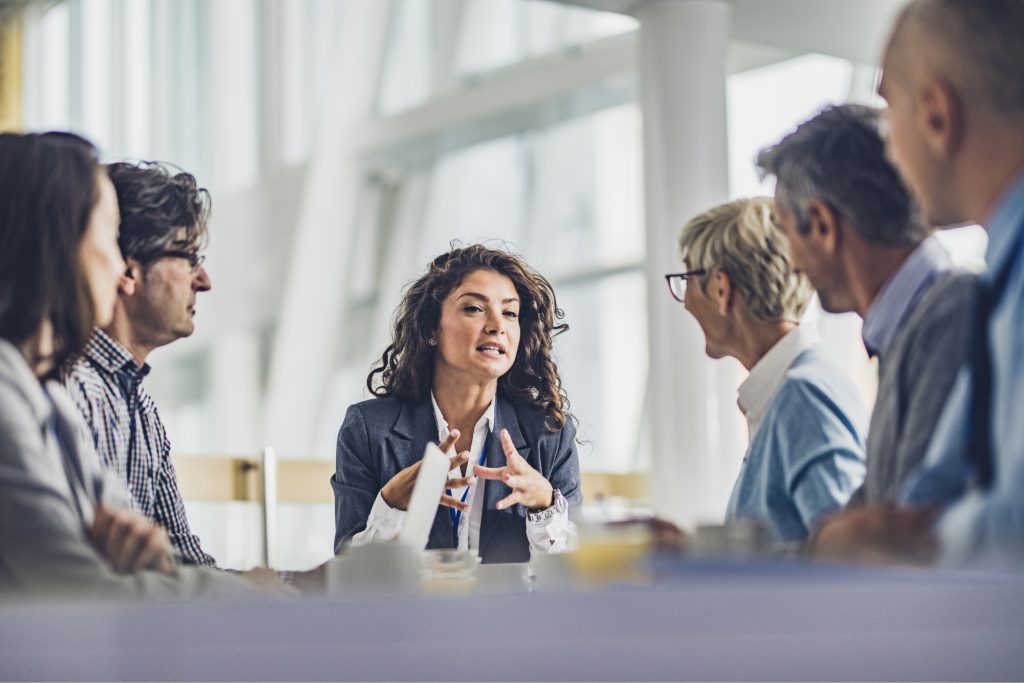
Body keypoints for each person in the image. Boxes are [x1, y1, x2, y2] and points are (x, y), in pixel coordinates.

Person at [0, 132, 261, 600]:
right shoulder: (41, 389)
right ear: (60, 242)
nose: (119, 262)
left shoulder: (51, 393)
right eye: (108, 234)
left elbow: (165, 557)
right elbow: (77, 589)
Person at [811, 0, 1024, 571]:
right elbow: (924, 496)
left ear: (935, 114)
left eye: (889, 114)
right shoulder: (999, 285)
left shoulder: (986, 297)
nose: (890, 151)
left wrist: (917, 542)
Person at [756, 103, 975, 506]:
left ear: (821, 225)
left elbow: (907, 535)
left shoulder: (955, 315)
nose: (791, 262)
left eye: (787, 234)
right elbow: (862, 524)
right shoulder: (911, 328)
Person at [332, 245, 582, 564]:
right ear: (431, 328)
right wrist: (390, 506)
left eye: (509, 312)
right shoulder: (367, 429)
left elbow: (574, 579)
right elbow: (348, 576)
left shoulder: (549, 434)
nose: (497, 325)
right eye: (474, 309)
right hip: (412, 614)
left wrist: (545, 505)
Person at [670, 198, 866, 543]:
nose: (685, 302)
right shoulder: (791, 390)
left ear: (720, 288)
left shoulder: (804, 395)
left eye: (687, 278)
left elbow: (846, 559)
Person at [62, 162, 216, 566]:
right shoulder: (73, 389)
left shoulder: (140, 408)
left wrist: (285, 588)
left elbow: (183, 562)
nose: (204, 281)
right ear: (129, 270)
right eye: (189, 257)